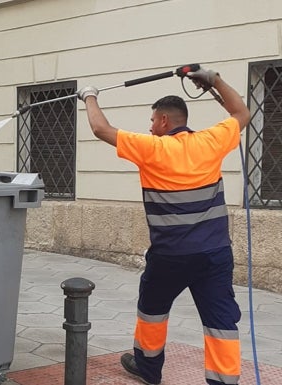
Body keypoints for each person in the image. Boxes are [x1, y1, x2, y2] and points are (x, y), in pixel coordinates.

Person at [77, 66, 251, 385]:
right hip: (215, 255)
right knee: (221, 320)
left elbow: (101, 128)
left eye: (152, 120)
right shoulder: (211, 141)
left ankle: (148, 367)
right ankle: (225, 381)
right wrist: (213, 80)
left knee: (153, 309)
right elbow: (241, 111)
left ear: (164, 121)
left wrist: (88, 95)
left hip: (170, 256)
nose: (150, 126)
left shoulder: (152, 149)